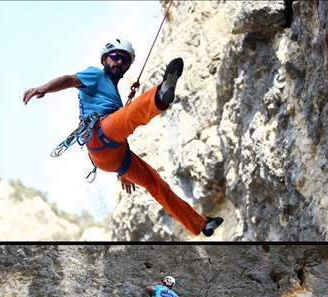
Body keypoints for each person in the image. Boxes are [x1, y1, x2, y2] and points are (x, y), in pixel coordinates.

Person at [23, 39, 225, 238]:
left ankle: (200, 224)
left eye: (125, 60)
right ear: (105, 59)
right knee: (129, 115)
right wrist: (43, 88)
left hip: (114, 155)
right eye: (114, 57)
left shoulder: (114, 95)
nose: (119, 62)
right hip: (99, 134)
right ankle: (159, 95)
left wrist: (123, 173)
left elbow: (120, 129)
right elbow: (69, 79)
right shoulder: (95, 74)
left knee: (157, 185)